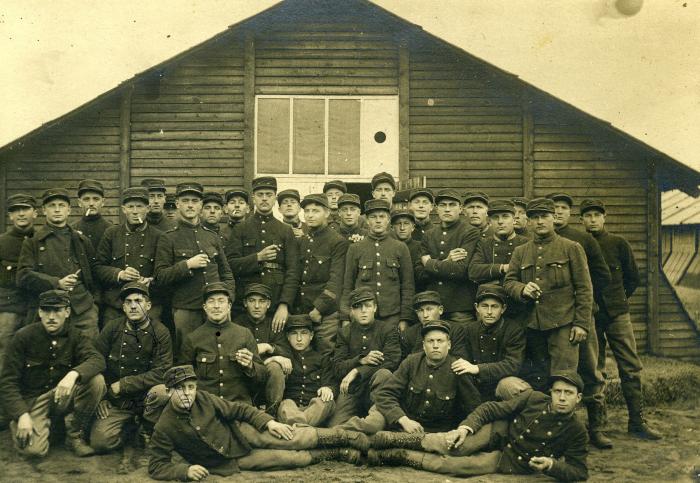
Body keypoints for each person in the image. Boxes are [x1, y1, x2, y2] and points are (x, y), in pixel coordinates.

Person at [148, 365, 366, 481]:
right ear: (168, 392)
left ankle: (346, 437)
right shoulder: (164, 427)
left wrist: (269, 423)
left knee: (293, 437)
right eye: (180, 389)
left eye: (191, 387)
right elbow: (157, 465)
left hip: (242, 433)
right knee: (292, 459)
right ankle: (339, 452)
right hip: (229, 462)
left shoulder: (204, 398)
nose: (187, 394)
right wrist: (184, 471)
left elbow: (239, 409)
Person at [369, 371, 589, 482]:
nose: (561, 397)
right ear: (550, 392)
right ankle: (392, 439)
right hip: (498, 432)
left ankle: (396, 454)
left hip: (511, 460)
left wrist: (551, 465)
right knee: (456, 445)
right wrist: (465, 428)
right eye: (557, 391)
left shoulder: (577, 430)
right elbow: (490, 409)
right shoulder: (533, 398)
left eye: (568, 393)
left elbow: (579, 472)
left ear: (578, 398)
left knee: (456, 467)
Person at [580, 198, 661, 440]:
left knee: (631, 366)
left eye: (597, 215)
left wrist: (617, 300)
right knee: (595, 369)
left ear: (605, 217)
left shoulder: (618, 243)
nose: (592, 219)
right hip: (591, 315)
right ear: (581, 219)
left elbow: (632, 279)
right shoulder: (577, 243)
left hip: (617, 314)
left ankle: (637, 421)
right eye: (587, 215)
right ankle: (599, 427)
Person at [0, 289, 106, 457]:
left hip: (61, 395)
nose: (51, 316)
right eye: (46, 310)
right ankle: (43, 426)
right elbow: (7, 382)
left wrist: (73, 375)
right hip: (33, 401)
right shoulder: (23, 337)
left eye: (57, 310)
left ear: (67, 312)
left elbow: (97, 360)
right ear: (40, 312)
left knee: (96, 381)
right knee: (33, 451)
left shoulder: (75, 335)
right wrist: (21, 415)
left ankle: (74, 436)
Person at [503, 198, 593, 393]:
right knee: (539, 378)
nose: (540, 221)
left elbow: (585, 288)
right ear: (528, 221)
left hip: (563, 324)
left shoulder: (571, 247)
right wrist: (522, 289)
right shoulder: (521, 251)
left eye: (544, 216)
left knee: (564, 377)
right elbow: (508, 282)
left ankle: (571, 420)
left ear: (553, 218)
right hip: (532, 326)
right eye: (534, 218)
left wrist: (581, 323)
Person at [546, 192, 612, 449]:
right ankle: (563, 431)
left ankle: (597, 428)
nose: (558, 212)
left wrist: (583, 310)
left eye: (563, 208)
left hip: (581, 316)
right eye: (554, 208)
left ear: (569, 213)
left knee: (590, 369)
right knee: (559, 373)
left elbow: (600, 276)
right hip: (554, 320)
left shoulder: (583, 240)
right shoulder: (537, 242)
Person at [90, 282, 172, 454]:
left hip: (147, 400)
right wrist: (101, 398)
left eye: (138, 301)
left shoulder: (160, 332)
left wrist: (125, 384)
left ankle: (148, 426)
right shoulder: (112, 328)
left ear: (148, 306)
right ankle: (130, 429)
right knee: (101, 442)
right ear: (124, 307)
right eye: (128, 302)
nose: (133, 306)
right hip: (118, 401)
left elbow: (162, 372)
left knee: (162, 391)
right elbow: (95, 360)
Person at [154, 182, 234, 354]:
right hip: (186, 310)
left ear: (200, 205)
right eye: (185, 200)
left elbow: (226, 273)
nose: (190, 205)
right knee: (188, 355)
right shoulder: (168, 238)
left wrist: (229, 300)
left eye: (195, 201)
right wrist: (187, 265)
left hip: (216, 308)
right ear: (177, 204)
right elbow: (160, 276)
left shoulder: (211, 236)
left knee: (221, 354)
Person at [371, 320, 481, 442]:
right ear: (423, 345)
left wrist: (461, 430)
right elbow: (384, 394)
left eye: (440, 341)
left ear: (449, 344)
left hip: (437, 437)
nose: (435, 345)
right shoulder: (412, 362)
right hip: (404, 430)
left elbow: (474, 408)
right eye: (430, 341)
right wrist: (403, 420)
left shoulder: (458, 369)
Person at [17, 187, 100, 337]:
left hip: (82, 309)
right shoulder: (33, 242)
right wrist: (57, 283)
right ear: (44, 210)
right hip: (49, 309)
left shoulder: (81, 240)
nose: (57, 210)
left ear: (68, 210)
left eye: (61, 205)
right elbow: (23, 276)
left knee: (88, 350)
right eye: (51, 206)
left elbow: (95, 272)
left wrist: (93, 304)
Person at [226, 176, 299, 328]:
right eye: (260, 195)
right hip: (246, 302)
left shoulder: (285, 231)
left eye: (269, 194)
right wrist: (257, 257)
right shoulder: (241, 229)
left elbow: (293, 271)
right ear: (253, 198)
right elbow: (230, 265)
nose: (264, 199)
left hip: (276, 300)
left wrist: (284, 304)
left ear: (275, 199)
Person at [179, 283, 267, 404]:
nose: (216, 306)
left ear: (229, 306)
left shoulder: (244, 334)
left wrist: (250, 366)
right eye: (211, 301)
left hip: (238, 406)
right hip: (206, 406)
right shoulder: (193, 338)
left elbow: (262, 377)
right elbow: (183, 378)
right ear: (204, 307)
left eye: (221, 301)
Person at [328, 288, 401, 427]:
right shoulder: (344, 333)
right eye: (358, 306)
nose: (363, 311)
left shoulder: (387, 330)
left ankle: (373, 422)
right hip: (352, 389)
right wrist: (360, 360)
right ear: (352, 311)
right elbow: (337, 368)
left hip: (376, 391)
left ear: (374, 308)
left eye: (367, 306)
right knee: (335, 427)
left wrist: (357, 371)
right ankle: (359, 428)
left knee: (384, 374)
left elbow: (392, 361)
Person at [340, 199, 415, 328]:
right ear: (367, 220)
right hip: (362, 314)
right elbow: (348, 285)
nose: (378, 220)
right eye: (373, 217)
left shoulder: (400, 247)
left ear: (388, 220)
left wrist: (405, 318)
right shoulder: (356, 248)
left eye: (382, 216)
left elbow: (407, 286)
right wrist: (346, 316)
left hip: (392, 315)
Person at [95, 187, 164, 322]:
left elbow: (164, 271)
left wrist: (151, 280)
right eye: (130, 206)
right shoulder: (111, 233)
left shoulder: (159, 236)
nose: (135, 211)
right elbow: (98, 267)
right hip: (116, 303)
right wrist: (119, 274)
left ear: (148, 208)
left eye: (139, 206)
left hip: (148, 303)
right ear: (123, 209)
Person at [294, 193, 349, 356]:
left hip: (326, 313)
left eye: (315, 211)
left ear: (326, 213)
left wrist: (319, 308)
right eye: (307, 211)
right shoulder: (302, 241)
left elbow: (336, 280)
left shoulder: (337, 242)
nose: (310, 215)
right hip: (302, 309)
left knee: (325, 352)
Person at [453, 284, 527, 401]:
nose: (489, 312)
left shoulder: (514, 330)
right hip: (476, 385)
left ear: (503, 309)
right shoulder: (469, 329)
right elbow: (463, 359)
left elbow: (513, 365)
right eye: (484, 306)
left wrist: (478, 369)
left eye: (494, 307)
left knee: (509, 385)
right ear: (477, 308)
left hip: (502, 385)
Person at [420, 189, 480, 324]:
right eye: (443, 205)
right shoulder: (429, 235)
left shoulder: (470, 232)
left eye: (452, 205)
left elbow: (460, 270)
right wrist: (447, 261)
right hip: (433, 306)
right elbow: (419, 273)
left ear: (460, 208)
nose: (447, 209)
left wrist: (429, 264)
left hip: (459, 307)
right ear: (436, 209)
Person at [267, 315, 337, 427]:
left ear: (311, 335)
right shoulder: (284, 357)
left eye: (304, 333)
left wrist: (328, 388)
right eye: (294, 333)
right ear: (288, 336)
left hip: (313, 408)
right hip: (291, 408)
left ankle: (296, 428)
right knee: (286, 404)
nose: (299, 339)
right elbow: (265, 370)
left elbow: (331, 383)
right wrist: (273, 358)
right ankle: (304, 428)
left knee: (326, 402)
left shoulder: (322, 359)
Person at [234, 283, 288, 414]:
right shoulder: (237, 323)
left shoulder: (273, 323)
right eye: (252, 301)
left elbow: (287, 351)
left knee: (275, 367)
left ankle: (271, 413)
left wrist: (270, 348)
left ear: (268, 304)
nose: (257, 306)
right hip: (245, 371)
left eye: (262, 301)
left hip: (266, 377)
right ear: (245, 303)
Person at [0, 194, 37, 374]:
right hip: (9, 309)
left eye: (25, 209)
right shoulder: (2, 242)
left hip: (36, 308)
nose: (21, 214)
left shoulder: (42, 239)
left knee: (34, 354)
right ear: (10, 216)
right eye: (16, 210)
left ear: (35, 213)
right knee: (5, 353)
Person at [468, 199, 529, 286]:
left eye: (505, 216)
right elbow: (473, 271)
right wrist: (503, 268)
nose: (500, 221)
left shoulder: (525, 243)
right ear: (490, 222)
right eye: (495, 217)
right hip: (490, 292)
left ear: (514, 220)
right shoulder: (483, 243)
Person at [400, 291, 465, 360]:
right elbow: (404, 363)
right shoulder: (409, 334)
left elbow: (460, 359)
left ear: (440, 310)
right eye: (420, 310)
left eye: (429, 309)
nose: (425, 315)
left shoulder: (455, 330)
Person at [72, 179, 113, 251]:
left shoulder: (112, 230)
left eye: (96, 199)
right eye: (86, 199)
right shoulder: (72, 230)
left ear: (103, 202)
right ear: (79, 202)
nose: (91, 203)